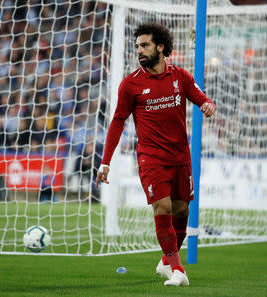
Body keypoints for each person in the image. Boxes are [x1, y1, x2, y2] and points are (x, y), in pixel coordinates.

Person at [95, 23, 215, 287]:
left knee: (182, 209)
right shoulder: (131, 84)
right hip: (151, 158)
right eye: (137, 46)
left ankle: (167, 260)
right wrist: (105, 162)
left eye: (145, 45)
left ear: (160, 47)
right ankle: (178, 269)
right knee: (162, 207)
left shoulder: (180, 76)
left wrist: (207, 104)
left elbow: (199, 96)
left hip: (180, 157)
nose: (139, 50)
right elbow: (117, 122)